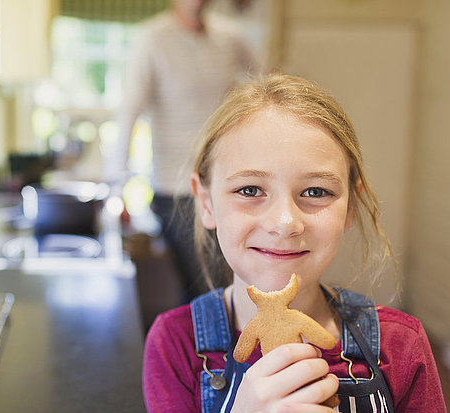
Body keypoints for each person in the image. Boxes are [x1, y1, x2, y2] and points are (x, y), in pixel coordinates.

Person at [142, 73, 447, 412]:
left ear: (350, 207)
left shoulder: (401, 345)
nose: (285, 223)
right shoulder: (177, 344)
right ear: (206, 203)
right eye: (250, 190)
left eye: (316, 192)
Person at [110, 0, 260, 302]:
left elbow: (266, 88)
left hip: (227, 184)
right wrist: (116, 189)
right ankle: (200, 350)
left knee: (234, 286)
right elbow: (129, 114)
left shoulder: (232, 38)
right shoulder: (151, 38)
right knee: (206, 288)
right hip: (175, 190)